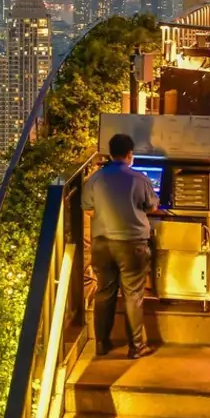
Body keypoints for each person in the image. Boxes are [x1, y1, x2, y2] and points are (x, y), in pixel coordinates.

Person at [81, 133, 157, 357]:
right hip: (132, 244)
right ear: (130, 154)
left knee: (105, 292)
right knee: (133, 294)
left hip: (102, 244)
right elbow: (151, 206)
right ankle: (136, 347)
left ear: (110, 153)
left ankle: (102, 344)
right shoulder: (139, 178)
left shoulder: (94, 179)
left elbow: (88, 209)